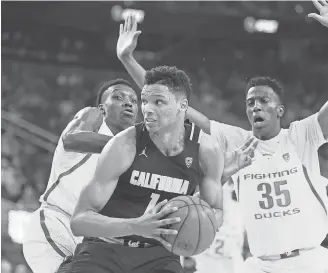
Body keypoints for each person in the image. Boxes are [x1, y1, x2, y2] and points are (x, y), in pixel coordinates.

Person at [117, 1, 328, 272]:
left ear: (280, 110)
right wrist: (128, 59)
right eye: (250, 102)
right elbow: (174, 109)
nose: (255, 105)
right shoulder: (235, 139)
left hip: (310, 262)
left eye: (263, 100)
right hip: (260, 264)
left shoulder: (303, 135)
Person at [57, 65, 254, 273]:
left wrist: (202, 225)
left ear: (182, 105)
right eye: (144, 101)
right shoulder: (124, 144)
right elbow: (79, 221)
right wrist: (136, 226)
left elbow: (212, 209)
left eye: (158, 102)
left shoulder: (206, 150)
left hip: (159, 257)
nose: (147, 109)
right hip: (104, 249)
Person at [22, 78, 139, 273]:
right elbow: (72, 140)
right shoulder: (92, 117)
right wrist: (131, 147)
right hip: (56, 222)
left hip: (90, 240)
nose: (128, 102)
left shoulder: (133, 154)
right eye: (118, 97)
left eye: (134, 101)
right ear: (102, 108)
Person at [182, 182, 245, 273]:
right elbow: (183, 254)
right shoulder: (196, 211)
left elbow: (251, 250)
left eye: (222, 183)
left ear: (231, 186)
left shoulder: (242, 211)